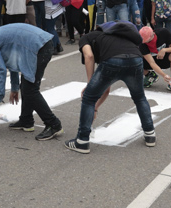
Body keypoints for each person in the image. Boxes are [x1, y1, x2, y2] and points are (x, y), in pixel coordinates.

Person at [64, 21, 156, 154]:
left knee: (88, 98)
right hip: (136, 59)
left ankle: (82, 141)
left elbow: (89, 56)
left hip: (112, 60)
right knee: (139, 97)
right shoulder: (121, 37)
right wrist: (96, 108)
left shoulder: (88, 37)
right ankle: (150, 135)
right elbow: (106, 88)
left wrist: (90, 84)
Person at [0, 23, 63, 141]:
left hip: (40, 47)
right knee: (26, 86)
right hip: (41, 43)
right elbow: (11, 62)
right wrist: (14, 88)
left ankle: (54, 125)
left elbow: (1, 68)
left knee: (31, 90)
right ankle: (26, 120)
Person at [139, 26, 171, 93]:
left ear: (153, 34)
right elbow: (152, 63)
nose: (146, 42)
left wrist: (164, 50)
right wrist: (164, 75)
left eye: (148, 40)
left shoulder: (163, 32)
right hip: (150, 61)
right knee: (133, 61)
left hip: (164, 59)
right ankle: (149, 75)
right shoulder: (141, 43)